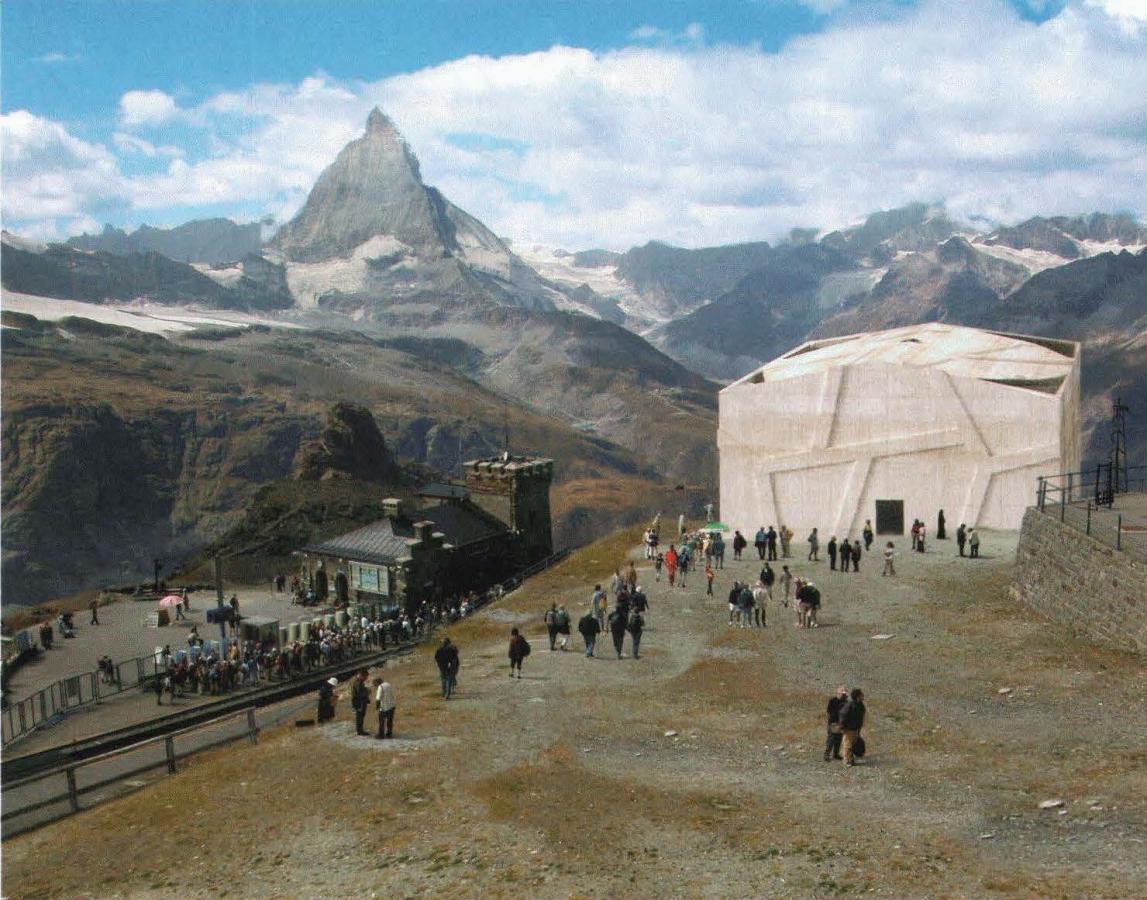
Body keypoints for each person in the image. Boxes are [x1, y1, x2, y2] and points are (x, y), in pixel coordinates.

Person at [840, 688, 866, 766]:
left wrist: (859, 728)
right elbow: (843, 715)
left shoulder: (860, 705)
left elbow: (861, 717)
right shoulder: (850, 705)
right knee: (847, 745)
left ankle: (850, 759)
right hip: (849, 729)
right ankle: (847, 760)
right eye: (861, 695)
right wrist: (843, 727)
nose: (863, 696)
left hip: (856, 729)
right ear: (857, 696)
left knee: (852, 744)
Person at [824, 686, 848, 761]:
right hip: (833, 723)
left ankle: (836, 754)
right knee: (831, 739)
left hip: (840, 724)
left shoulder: (845, 702)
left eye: (844, 694)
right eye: (842, 694)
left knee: (838, 739)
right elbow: (828, 712)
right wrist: (831, 723)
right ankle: (827, 754)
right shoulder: (832, 700)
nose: (843, 695)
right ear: (838, 693)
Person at [375, 675, 395, 739]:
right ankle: (389, 734)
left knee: (381, 722)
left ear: (377, 683)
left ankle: (381, 735)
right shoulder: (388, 684)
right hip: (391, 706)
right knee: (390, 721)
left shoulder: (380, 687)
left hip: (384, 707)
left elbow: (378, 699)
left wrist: (377, 707)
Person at [351, 670, 370, 735]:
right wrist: (367, 691)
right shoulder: (358, 682)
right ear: (362, 675)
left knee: (360, 716)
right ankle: (360, 731)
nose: (366, 679)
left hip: (358, 701)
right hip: (360, 702)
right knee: (360, 716)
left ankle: (360, 730)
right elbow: (359, 693)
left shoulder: (358, 681)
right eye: (366, 677)